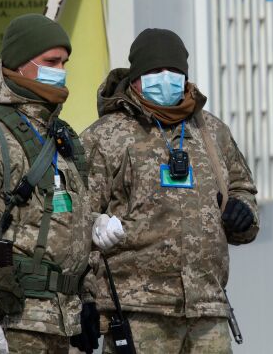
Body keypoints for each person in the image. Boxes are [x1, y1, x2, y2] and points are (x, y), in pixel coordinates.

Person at [81, 28, 259, 354]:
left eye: (175, 72)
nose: (166, 79)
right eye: (154, 72)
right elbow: (77, 218)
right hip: (139, 310)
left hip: (207, 305)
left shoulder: (211, 131)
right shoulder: (106, 136)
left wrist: (244, 214)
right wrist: (86, 299)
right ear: (135, 78)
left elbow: (242, 188)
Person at [0, 14, 100, 354]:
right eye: (52, 62)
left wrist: (88, 300)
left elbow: (74, 226)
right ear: (21, 65)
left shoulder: (59, 134)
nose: (61, 70)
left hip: (63, 324)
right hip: (14, 323)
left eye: (65, 62)